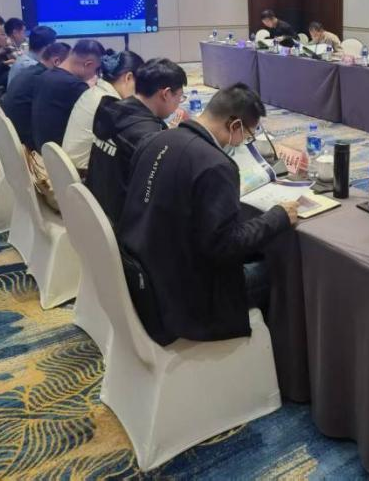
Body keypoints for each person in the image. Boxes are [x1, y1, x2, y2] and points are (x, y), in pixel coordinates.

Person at [118, 84, 299, 345]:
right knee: (280, 272)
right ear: (234, 125)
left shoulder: (155, 139)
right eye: (248, 134)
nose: (244, 141)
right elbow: (225, 245)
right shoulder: (216, 165)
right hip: (185, 300)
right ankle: (282, 357)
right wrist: (277, 217)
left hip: (142, 272)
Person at [87, 58, 188, 226]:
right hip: (125, 225)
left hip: (96, 210)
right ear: (165, 94)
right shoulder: (149, 137)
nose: (179, 103)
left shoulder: (109, 108)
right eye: (180, 97)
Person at [62, 50, 145, 171]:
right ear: (128, 78)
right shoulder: (110, 103)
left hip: (70, 169)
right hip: (85, 173)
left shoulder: (93, 92)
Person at [29, 38, 105, 151]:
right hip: (62, 155)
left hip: (44, 150)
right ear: (88, 64)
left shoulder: (45, 76)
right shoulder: (75, 86)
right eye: (96, 70)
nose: (95, 75)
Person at [0, 41, 70, 148]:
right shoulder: (45, 79)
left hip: (9, 136)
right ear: (56, 61)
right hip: (25, 143)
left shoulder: (30, 71)